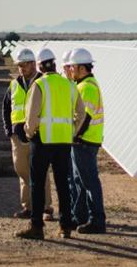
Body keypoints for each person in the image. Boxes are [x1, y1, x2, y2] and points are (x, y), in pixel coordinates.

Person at [15, 47, 85, 240]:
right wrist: (71, 132)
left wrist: (29, 134)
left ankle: (36, 227)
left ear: (39, 65)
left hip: (42, 141)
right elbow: (81, 113)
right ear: (54, 63)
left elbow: (31, 116)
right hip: (63, 142)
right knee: (63, 184)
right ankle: (65, 226)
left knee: (37, 184)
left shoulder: (39, 85)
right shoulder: (69, 85)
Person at [1, 48, 53, 220]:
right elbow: (6, 108)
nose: (21, 68)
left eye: (24, 65)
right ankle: (28, 207)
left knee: (41, 171)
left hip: (39, 135)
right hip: (18, 136)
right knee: (22, 170)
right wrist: (9, 131)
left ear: (33, 64)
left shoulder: (43, 82)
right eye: (19, 65)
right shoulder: (14, 84)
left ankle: (46, 208)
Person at [67, 47, 106, 234]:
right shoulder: (84, 85)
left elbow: (85, 118)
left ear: (82, 68)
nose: (70, 70)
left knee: (89, 182)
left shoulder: (86, 87)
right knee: (80, 182)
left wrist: (74, 136)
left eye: (73, 67)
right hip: (85, 141)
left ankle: (97, 220)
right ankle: (80, 217)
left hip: (85, 142)